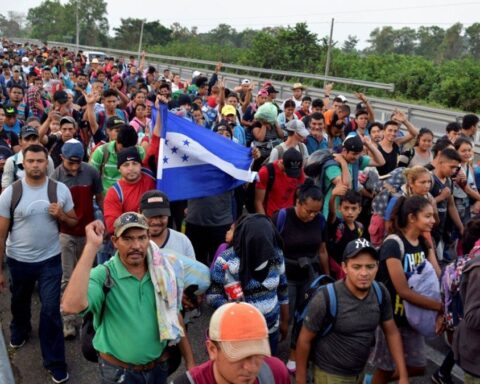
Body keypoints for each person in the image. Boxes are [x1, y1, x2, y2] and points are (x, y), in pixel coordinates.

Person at [61, 213, 194, 384]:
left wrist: (190, 363)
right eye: (128, 239)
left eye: (141, 238)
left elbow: (175, 316)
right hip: (118, 374)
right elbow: (71, 305)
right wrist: (91, 247)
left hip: (159, 369)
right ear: (115, 242)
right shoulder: (104, 275)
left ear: (148, 238)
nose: (136, 246)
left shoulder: (163, 272)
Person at [0, 144, 78, 383]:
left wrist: (62, 216)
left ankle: (55, 361)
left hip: (50, 260)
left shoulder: (60, 189)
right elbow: (1, 234)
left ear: (47, 163)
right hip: (18, 261)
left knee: (51, 311)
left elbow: (74, 222)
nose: (35, 165)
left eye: (40, 161)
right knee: (19, 301)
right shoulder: (10, 193)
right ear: (24, 164)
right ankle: (20, 328)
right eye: (31, 161)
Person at [296, 239, 408, 384]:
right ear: (345, 267)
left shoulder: (380, 292)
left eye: (370, 266)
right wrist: (300, 379)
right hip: (329, 376)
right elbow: (304, 340)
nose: (364, 273)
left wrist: (403, 374)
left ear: (377, 267)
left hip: (359, 374)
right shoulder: (326, 298)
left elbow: (391, 332)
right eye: (357, 267)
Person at [371, 195, 442, 383]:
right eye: (428, 216)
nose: (433, 220)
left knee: (418, 366)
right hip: (392, 317)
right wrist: (439, 307)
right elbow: (403, 291)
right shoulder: (393, 244)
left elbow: (437, 274)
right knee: (386, 368)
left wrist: (430, 245)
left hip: (413, 317)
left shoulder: (422, 243)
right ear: (412, 218)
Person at [207, 214, 289, 356]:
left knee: (266, 374)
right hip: (239, 334)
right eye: (259, 241)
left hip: (270, 331)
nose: (265, 246)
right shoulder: (226, 260)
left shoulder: (276, 255)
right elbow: (212, 294)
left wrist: (285, 320)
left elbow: (282, 287)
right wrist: (234, 309)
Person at [272, 179, 329, 373]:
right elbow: (270, 247)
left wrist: (326, 276)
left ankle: (294, 353)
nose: (312, 215)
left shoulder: (320, 221)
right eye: (308, 210)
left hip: (309, 276)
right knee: (284, 317)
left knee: (305, 316)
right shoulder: (282, 217)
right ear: (298, 202)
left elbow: (322, 250)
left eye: (316, 211)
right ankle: (274, 346)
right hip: (285, 277)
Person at [51, 139, 103, 339]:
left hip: (88, 233)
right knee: (67, 277)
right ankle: (68, 320)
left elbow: (99, 198)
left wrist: (103, 220)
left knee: (89, 277)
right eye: (70, 163)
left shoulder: (90, 172)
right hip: (65, 234)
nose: (74, 168)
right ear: (62, 158)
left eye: (77, 163)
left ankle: (89, 318)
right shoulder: (55, 177)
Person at [171, 302, 290, 384]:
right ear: (212, 350)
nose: (251, 368)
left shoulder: (276, 373)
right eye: (239, 356)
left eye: (257, 353)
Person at [321, 134, 385, 218]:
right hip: (333, 214)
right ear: (344, 150)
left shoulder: (355, 161)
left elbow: (381, 162)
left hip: (349, 214)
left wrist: (368, 144)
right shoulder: (333, 165)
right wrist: (343, 163)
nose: (356, 157)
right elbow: (346, 186)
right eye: (354, 154)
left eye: (359, 154)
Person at [103, 146, 156, 235]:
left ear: (141, 165)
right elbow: (112, 226)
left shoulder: (151, 175)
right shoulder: (114, 193)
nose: (131, 168)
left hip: (158, 230)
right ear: (119, 169)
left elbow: (155, 146)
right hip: (133, 237)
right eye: (126, 165)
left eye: (134, 163)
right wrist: (138, 219)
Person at [1, 125, 55, 191]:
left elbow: (52, 185)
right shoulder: (11, 162)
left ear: (38, 141)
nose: (31, 143)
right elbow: (6, 189)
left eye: (34, 139)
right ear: (20, 141)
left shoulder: (47, 159)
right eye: (27, 139)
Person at [255, 148, 306, 217]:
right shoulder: (266, 172)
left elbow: (300, 194)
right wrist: (265, 222)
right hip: (271, 216)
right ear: (282, 162)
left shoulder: (299, 172)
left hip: (289, 217)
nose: (292, 176)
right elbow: (258, 202)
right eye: (289, 172)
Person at [327, 187, 364, 278]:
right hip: (336, 270)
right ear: (340, 208)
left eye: (354, 208)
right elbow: (332, 213)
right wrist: (333, 196)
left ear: (359, 210)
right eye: (346, 208)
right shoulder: (338, 225)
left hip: (351, 269)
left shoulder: (360, 227)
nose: (350, 212)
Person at [376, 112, 419, 176]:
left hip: (392, 180)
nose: (393, 133)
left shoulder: (396, 142)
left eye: (395, 131)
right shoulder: (376, 146)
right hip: (378, 180)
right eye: (390, 130)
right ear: (383, 132)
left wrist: (405, 121)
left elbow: (414, 134)